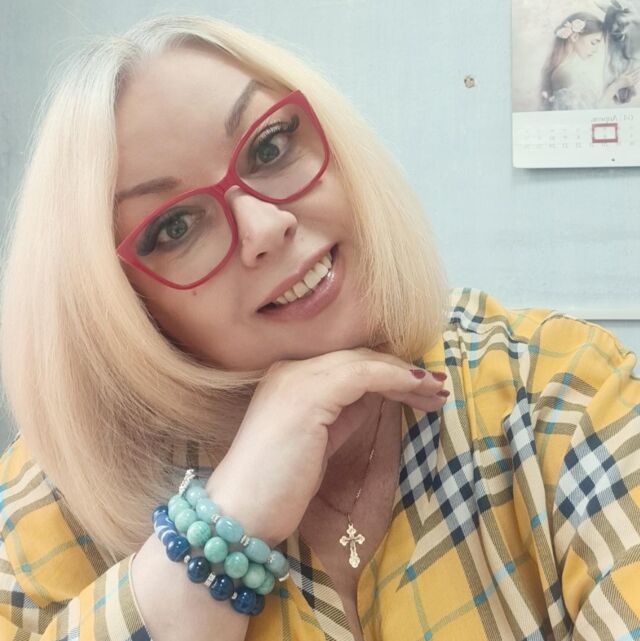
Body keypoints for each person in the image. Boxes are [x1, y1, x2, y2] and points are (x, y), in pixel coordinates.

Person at [0, 14, 638, 641]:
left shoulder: (556, 384)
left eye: (270, 147)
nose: (265, 226)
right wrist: (217, 536)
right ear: (123, 303)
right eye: (176, 227)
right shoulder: (54, 504)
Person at [540, 11, 640, 109]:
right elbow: (588, 115)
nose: (595, 50)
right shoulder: (567, 72)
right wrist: (615, 86)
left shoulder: (569, 68)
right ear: (574, 37)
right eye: (593, 42)